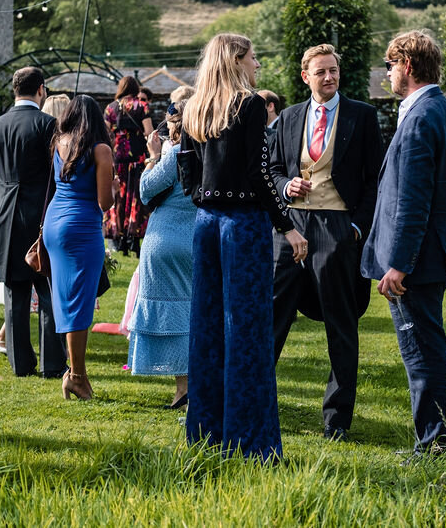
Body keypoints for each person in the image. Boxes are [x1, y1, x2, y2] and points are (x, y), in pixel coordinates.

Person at [178, 33, 307, 461]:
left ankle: (207, 435)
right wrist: (287, 227)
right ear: (236, 60)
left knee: (210, 328)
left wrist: (203, 197)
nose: (257, 65)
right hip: (243, 227)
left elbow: (185, 170)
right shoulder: (249, 105)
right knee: (247, 331)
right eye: (254, 58)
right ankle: (251, 443)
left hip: (205, 225)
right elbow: (258, 174)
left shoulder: (194, 107)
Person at [361, 30, 446, 461]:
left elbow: (413, 199)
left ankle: (434, 447)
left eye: (389, 66)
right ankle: (436, 441)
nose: (386, 74)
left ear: (406, 65)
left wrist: (398, 264)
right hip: (429, 255)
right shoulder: (442, 110)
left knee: (422, 354)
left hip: (416, 261)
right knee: (427, 348)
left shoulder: (423, 116)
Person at [269, 43, 383, 442]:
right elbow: (272, 171)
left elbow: (374, 181)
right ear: (306, 76)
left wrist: (356, 229)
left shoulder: (363, 117)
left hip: (338, 228)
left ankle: (337, 419)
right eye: (321, 72)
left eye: (333, 70)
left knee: (341, 325)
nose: (329, 77)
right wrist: (286, 187)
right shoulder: (288, 118)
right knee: (272, 320)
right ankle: (259, 404)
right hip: (291, 229)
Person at [0, 67, 66, 378]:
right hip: (42, 213)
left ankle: (20, 363)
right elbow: (59, 171)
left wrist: (7, 183)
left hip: (5, 210)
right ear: (41, 90)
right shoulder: (49, 126)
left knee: (14, 290)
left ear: (14, 91)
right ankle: (53, 363)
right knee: (46, 287)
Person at [43, 95, 115, 400]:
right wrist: (112, 185)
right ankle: (76, 377)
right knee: (79, 304)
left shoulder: (59, 143)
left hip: (54, 223)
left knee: (67, 299)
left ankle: (74, 373)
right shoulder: (100, 150)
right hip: (81, 228)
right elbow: (104, 201)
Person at [126, 100, 195, 408]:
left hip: (166, 237)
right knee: (191, 310)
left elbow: (146, 191)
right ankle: (193, 384)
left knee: (174, 315)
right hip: (196, 236)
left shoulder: (175, 155)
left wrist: (153, 157)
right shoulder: (210, 152)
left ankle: (184, 387)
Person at [103, 76, 153, 254]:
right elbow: (148, 131)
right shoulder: (142, 106)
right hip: (136, 159)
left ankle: (119, 237)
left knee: (119, 197)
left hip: (117, 158)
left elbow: (105, 133)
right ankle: (134, 237)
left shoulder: (111, 108)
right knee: (135, 197)